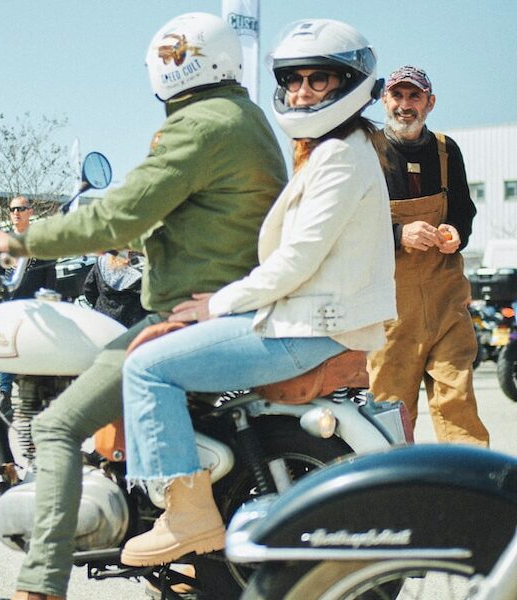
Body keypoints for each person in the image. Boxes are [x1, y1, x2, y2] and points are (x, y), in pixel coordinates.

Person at [0, 12, 286, 599]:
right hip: (231, 300)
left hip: (185, 313)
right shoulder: (246, 120)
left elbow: (120, 211)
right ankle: (189, 566)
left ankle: (39, 585)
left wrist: (22, 239)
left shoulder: (199, 126)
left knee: (56, 426)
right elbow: (200, 218)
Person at [119, 18, 397, 567]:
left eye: (319, 80)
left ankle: (188, 515)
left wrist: (214, 305)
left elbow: (297, 260)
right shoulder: (333, 150)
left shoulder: (341, 157)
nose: (302, 92)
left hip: (308, 327)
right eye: (294, 80)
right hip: (307, 321)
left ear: (351, 84)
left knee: (147, 367)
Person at [366, 66, 490, 446]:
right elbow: (347, 225)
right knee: (390, 411)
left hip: (445, 302)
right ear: (385, 100)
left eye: (414, 96)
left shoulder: (446, 149)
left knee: (458, 401)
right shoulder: (366, 151)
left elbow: (463, 211)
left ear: (429, 102)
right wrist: (399, 234)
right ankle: (391, 495)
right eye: (398, 96)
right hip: (390, 310)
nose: (405, 105)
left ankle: (468, 490)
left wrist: (455, 232)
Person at [0, 195, 58, 415]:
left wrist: (46, 304)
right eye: (12, 209)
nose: (16, 213)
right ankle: (4, 393)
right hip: (9, 307)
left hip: (33, 308)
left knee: (28, 350)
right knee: (7, 348)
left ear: (30, 211)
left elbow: (50, 274)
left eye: (21, 208)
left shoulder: (39, 242)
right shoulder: (6, 243)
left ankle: (31, 395)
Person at [83, 251, 149, 327]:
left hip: (103, 322)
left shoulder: (103, 260)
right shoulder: (148, 269)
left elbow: (89, 290)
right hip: (135, 327)